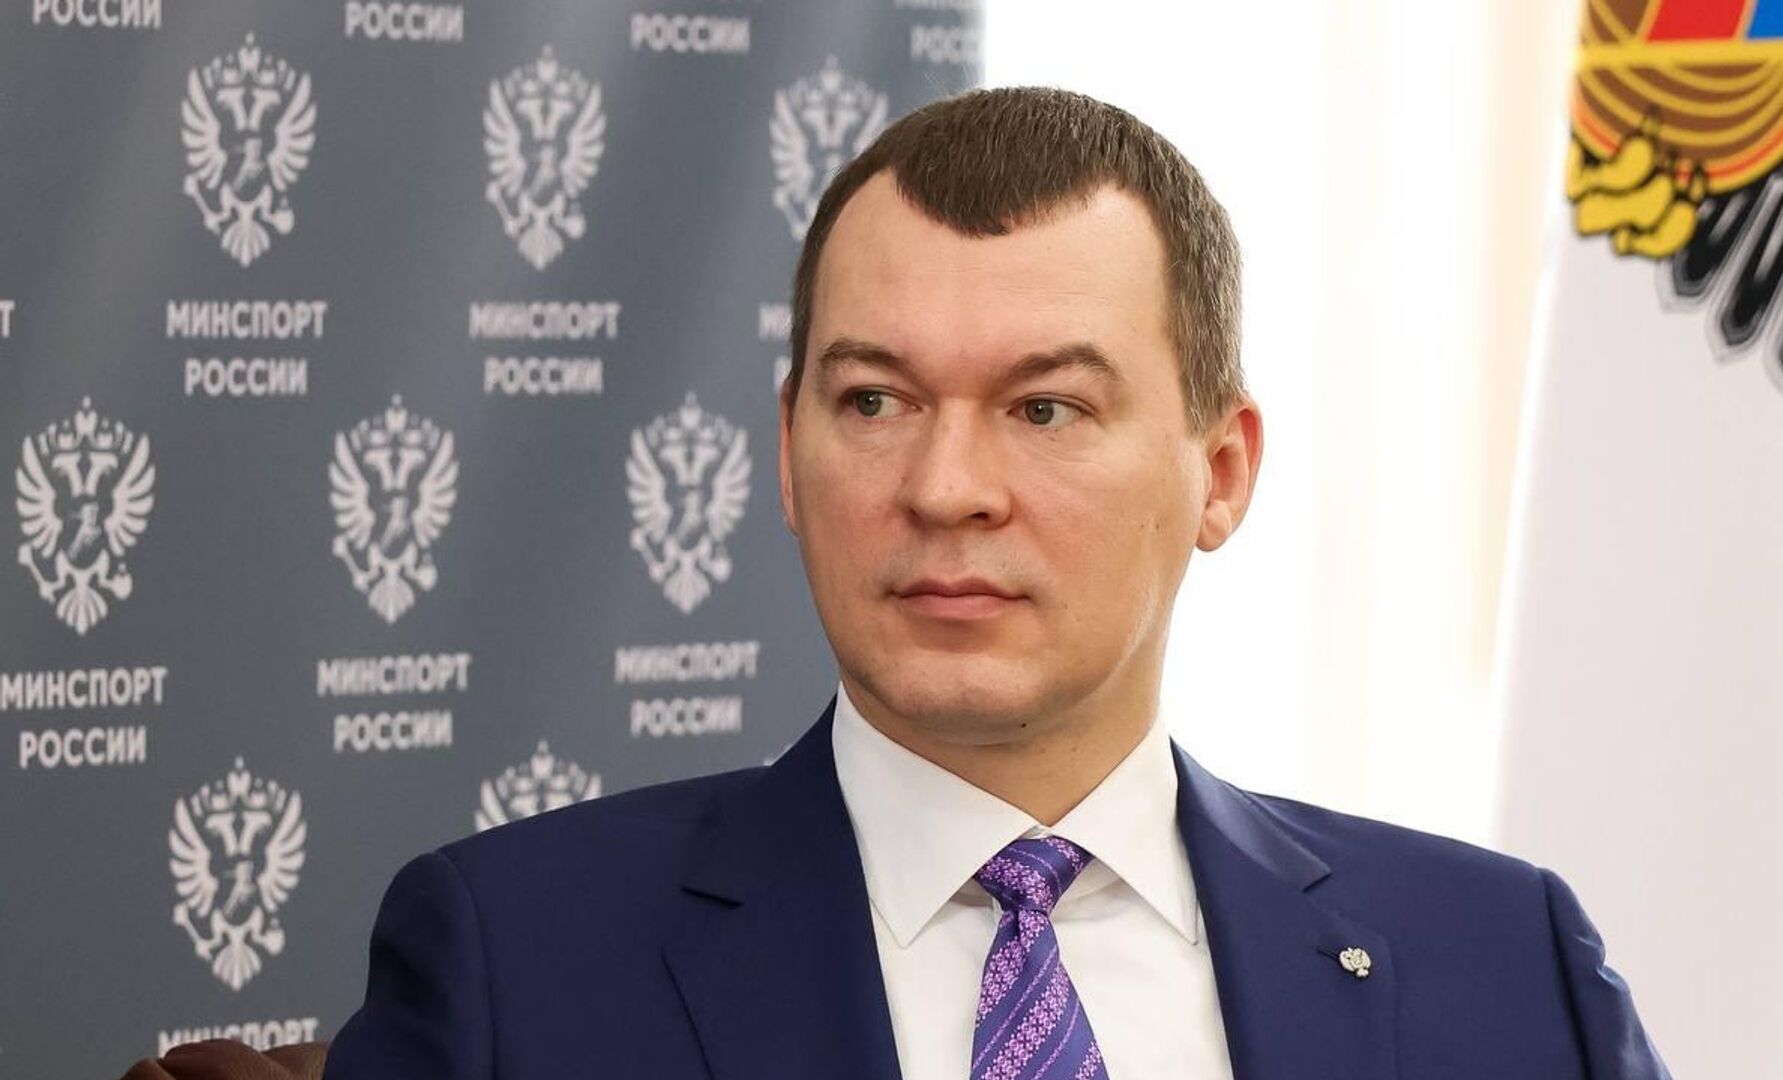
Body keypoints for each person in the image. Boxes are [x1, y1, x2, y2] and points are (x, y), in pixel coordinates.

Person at [324, 88, 1669, 1080]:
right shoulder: (519, 967)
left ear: (1220, 472)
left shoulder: (1504, 965)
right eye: (874, 399)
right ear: (786, 456)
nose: (945, 486)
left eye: (1045, 409)